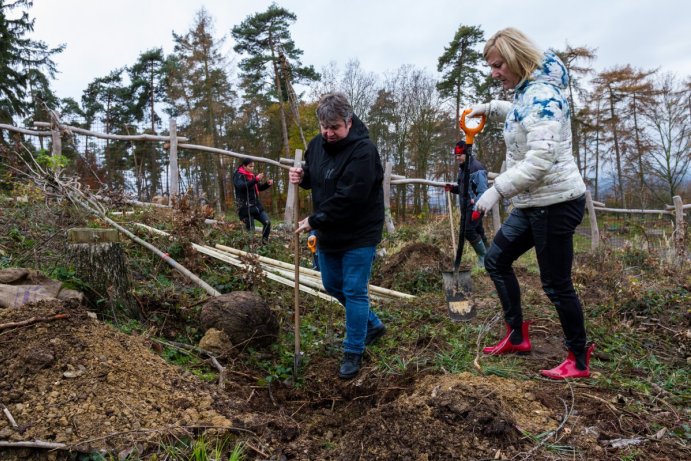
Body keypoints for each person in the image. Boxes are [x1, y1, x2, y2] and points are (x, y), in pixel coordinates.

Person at [468, 27, 594, 379]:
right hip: (532, 202)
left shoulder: (542, 95)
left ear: (516, 60)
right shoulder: (529, 93)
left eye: (497, 65)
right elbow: (523, 114)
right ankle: (516, 335)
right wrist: (490, 107)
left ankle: (578, 358)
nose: (493, 73)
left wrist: (496, 190)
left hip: (556, 201)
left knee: (556, 283)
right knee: (496, 260)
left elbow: (541, 159)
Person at [288, 92, 386, 380]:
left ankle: (353, 351)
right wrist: (302, 177)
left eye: (335, 128)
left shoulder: (363, 151)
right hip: (330, 229)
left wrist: (315, 220)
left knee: (355, 289)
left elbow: (350, 197)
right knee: (332, 285)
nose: (329, 133)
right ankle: (373, 324)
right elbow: (317, 176)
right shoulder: (317, 145)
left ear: (349, 121)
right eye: (324, 127)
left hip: (359, 230)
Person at [444, 140, 489, 267]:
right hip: (466, 207)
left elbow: (483, 192)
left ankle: (483, 257)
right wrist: (452, 189)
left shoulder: (477, 168)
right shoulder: (463, 169)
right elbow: (464, 190)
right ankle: (491, 256)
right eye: (456, 156)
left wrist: (477, 209)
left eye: (460, 155)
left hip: (476, 207)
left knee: (468, 231)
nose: (457, 158)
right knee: (479, 231)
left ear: (467, 154)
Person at [233, 158, 273, 243]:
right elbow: (242, 186)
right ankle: (250, 250)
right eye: (250, 166)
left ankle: (264, 244)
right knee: (251, 232)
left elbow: (258, 187)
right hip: (245, 209)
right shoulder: (238, 175)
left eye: (253, 166)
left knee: (267, 223)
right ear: (244, 166)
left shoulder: (252, 175)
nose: (252, 168)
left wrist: (267, 184)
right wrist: (255, 180)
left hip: (256, 206)